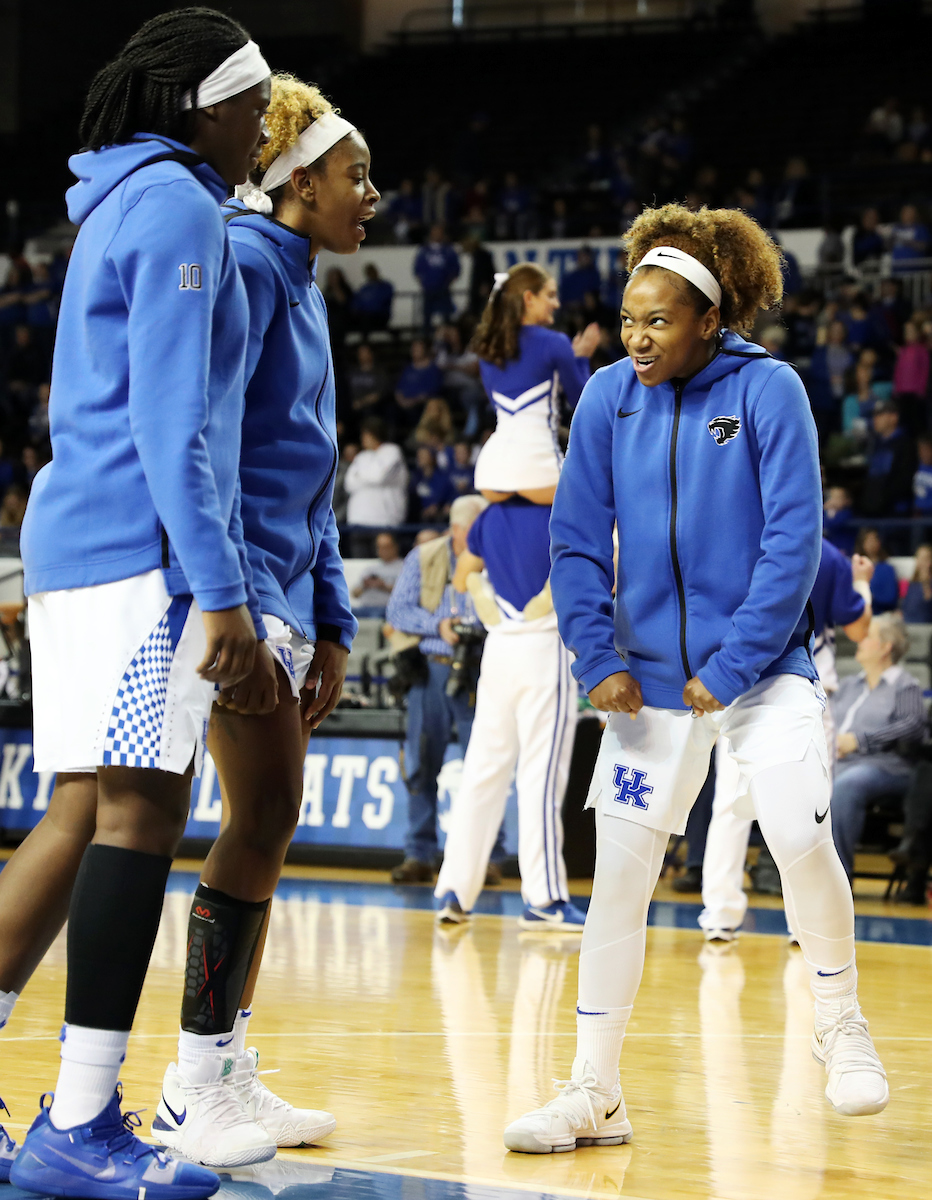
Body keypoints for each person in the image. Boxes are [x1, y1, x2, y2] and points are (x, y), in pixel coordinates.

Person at [505, 203, 889, 1158]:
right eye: (629, 318)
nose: (638, 337)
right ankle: (594, 1092)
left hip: (762, 670)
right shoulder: (603, 398)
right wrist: (597, 657)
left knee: (799, 821)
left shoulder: (771, 392)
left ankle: (840, 1024)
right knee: (620, 880)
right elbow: (576, 539)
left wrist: (734, 661)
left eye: (660, 320)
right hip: (647, 680)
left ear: (710, 319)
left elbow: (795, 543)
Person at [4, 12, 272, 1199]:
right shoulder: (177, 207)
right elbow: (178, 423)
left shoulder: (119, 198)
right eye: (253, 103)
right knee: (140, 817)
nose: (265, 123)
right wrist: (217, 590)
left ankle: (73, 1115)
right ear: (199, 107)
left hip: (75, 542)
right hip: (132, 558)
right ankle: (79, 1124)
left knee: (76, 811)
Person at [148, 70, 375, 1165]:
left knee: (267, 824)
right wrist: (239, 604)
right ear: (293, 182)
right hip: (235, 597)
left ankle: (225, 1065)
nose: (370, 193)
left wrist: (333, 624)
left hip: (285, 596)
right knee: (259, 818)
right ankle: (194, 1085)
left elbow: (313, 478)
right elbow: (213, 451)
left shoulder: (305, 280)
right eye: (353, 175)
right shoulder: (240, 264)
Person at [699, 541, 874, 941]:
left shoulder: (739, 538)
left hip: (738, 681)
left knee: (730, 805)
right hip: (799, 691)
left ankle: (720, 913)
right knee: (806, 814)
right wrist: (862, 583)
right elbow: (859, 628)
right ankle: (805, 925)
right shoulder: (828, 555)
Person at [434, 498, 586, 930]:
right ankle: (543, 896)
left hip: (499, 646)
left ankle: (454, 890)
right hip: (543, 642)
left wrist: (490, 595)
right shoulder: (565, 508)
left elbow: (463, 577)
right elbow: (604, 567)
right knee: (539, 777)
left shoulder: (489, 516)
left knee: (482, 771)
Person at [386, 495, 506, 883]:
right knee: (422, 762)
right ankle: (418, 854)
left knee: (486, 765)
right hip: (432, 671)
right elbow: (398, 610)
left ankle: (485, 856)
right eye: (479, 527)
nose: (488, 533)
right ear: (458, 529)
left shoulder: (498, 556)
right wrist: (437, 625)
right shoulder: (424, 556)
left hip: (483, 670)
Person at [471, 263, 599, 506]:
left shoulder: (488, 347)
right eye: (550, 295)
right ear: (529, 298)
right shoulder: (555, 342)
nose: (557, 304)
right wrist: (580, 359)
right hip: (537, 466)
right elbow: (583, 403)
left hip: (492, 471)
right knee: (602, 517)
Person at [830, 613, 926, 881]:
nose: (860, 639)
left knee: (848, 784)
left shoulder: (904, 685)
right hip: (837, 762)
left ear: (886, 647)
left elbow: (912, 725)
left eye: (868, 636)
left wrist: (860, 740)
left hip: (887, 766)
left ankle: (839, 878)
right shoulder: (848, 685)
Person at [344, 416, 409, 536]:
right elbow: (349, 484)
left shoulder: (392, 451)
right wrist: (369, 476)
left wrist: (360, 476)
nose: (362, 438)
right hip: (357, 519)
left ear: (374, 434)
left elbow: (379, 477)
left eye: (364, 434)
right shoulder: (361, 456)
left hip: (384, 521)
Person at [414, 224, 460, 330]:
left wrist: (449, 281)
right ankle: (426, 338)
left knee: (446, 315)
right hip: (429, 288)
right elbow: (418, 269)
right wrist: (424, 282)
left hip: (444, 288)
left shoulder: (449, 250)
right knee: (427, 316)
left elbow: (455, 268)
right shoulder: (424, 250)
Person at [351, 531, 403, 613]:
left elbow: (407, 593)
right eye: (380, 547)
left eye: (386, 547)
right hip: (364, 609)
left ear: (395, 547)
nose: (383, 551)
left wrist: (384, 586)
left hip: (388, 610)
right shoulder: (370, 569)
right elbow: (354, 594)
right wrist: (364, 586)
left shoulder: (403, 567)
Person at [855, 527, 899, 614]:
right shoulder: (855, 568)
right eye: (868, 540)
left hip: (881, 616)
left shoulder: (887, 569)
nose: (871, 543)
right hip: (858, 616)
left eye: (874, 539)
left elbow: (890, 597)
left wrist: (871, 597)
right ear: (862, 543)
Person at [351, 261, 394, 334]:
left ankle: (365, 343)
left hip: (380, 316)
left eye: (372, 271)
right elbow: (357, 303)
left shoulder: (385, 286)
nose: (371, 274)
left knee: (365, 321)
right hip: (364, 315)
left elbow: (381, 302)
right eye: (369, 272)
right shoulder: (364, 288)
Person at [900, 543, 932, 623]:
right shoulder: (910, 583)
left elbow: (928, 602)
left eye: (925, 558)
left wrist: (925, 582)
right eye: (919, 557)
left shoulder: (928, 584)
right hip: (907, 623)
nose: (922, 561)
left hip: (925, 626)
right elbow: (904, 606)